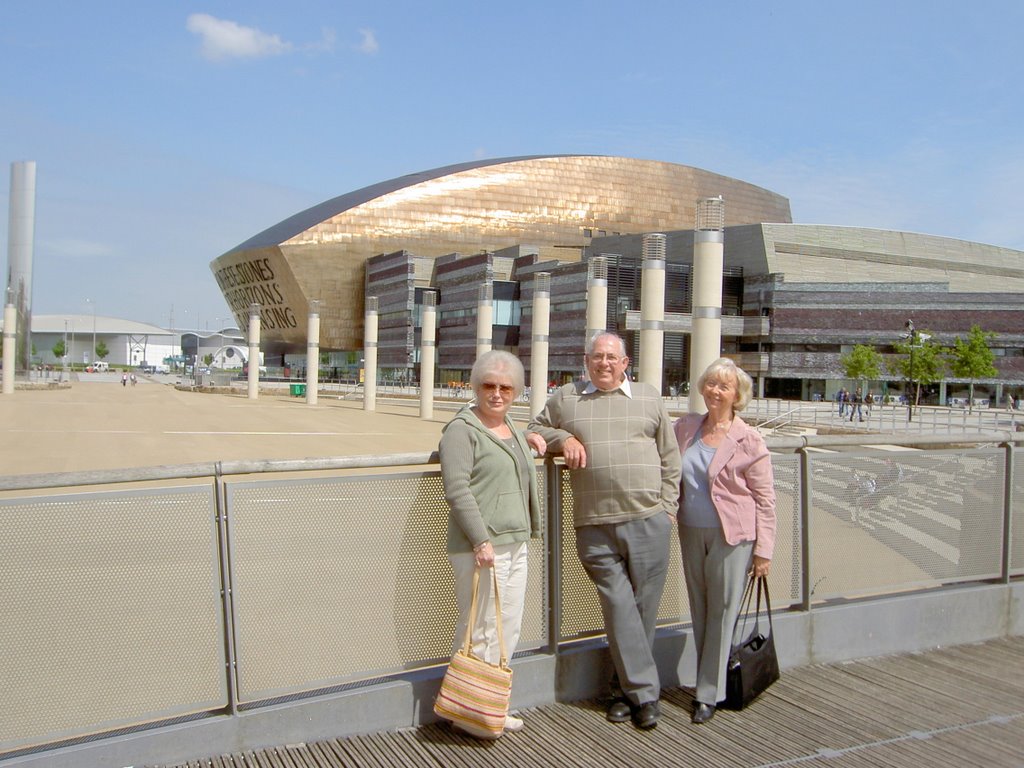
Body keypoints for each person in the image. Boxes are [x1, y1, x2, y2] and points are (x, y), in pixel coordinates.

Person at [527, 332, 680, 730]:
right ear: (586, 360)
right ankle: (645, 696)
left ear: (626, 363)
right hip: (594, 524)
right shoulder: (568, 397)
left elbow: (670, 457)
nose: (605, 364)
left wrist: (668, 509)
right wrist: (565, 437)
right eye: (597, 357)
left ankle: (620, 692)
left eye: (612, 357)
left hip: (649, 520)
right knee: (618, 606)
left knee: (641, 612)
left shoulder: (649, 397)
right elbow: (535, 429)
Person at [438, 350, 546, 737]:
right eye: (489, 385)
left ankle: (489, 705)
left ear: (516, 391)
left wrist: (531, 437)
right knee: (481, 625)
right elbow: (457, 489)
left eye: (506, 387)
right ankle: (466, 710)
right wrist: (481, 540)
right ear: (475, 386)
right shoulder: (461, 430)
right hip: (482, 546)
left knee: (507, 626)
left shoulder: (512, 428)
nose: (497, 393)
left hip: (515, 541)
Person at [674, 358, 777, 724]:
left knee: (721, 613)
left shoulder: (749, 439)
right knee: (700, 609)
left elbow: (765, 500)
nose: (715, 391)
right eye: (711, 384)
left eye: (724, 387)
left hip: (732, 537)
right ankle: (708, 680)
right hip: (690, 529)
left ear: (737, 396)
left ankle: (709, 693)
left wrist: (764, 552)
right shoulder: (685, 428)